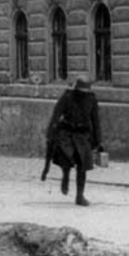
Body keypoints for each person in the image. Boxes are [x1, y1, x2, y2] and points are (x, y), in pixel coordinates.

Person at [45, 76, 103, 207]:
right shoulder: (67, 96)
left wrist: (98, 141)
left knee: (82, 166)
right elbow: (56, 114)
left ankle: (79, 196)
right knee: (66, 158)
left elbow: (96, 120)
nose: (83, 94)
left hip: (82, 135)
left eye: (86, 91)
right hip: (66, 133)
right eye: (81, 91)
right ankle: (65, 177)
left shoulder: (91, 99)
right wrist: (50, 133)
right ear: (76, 89)